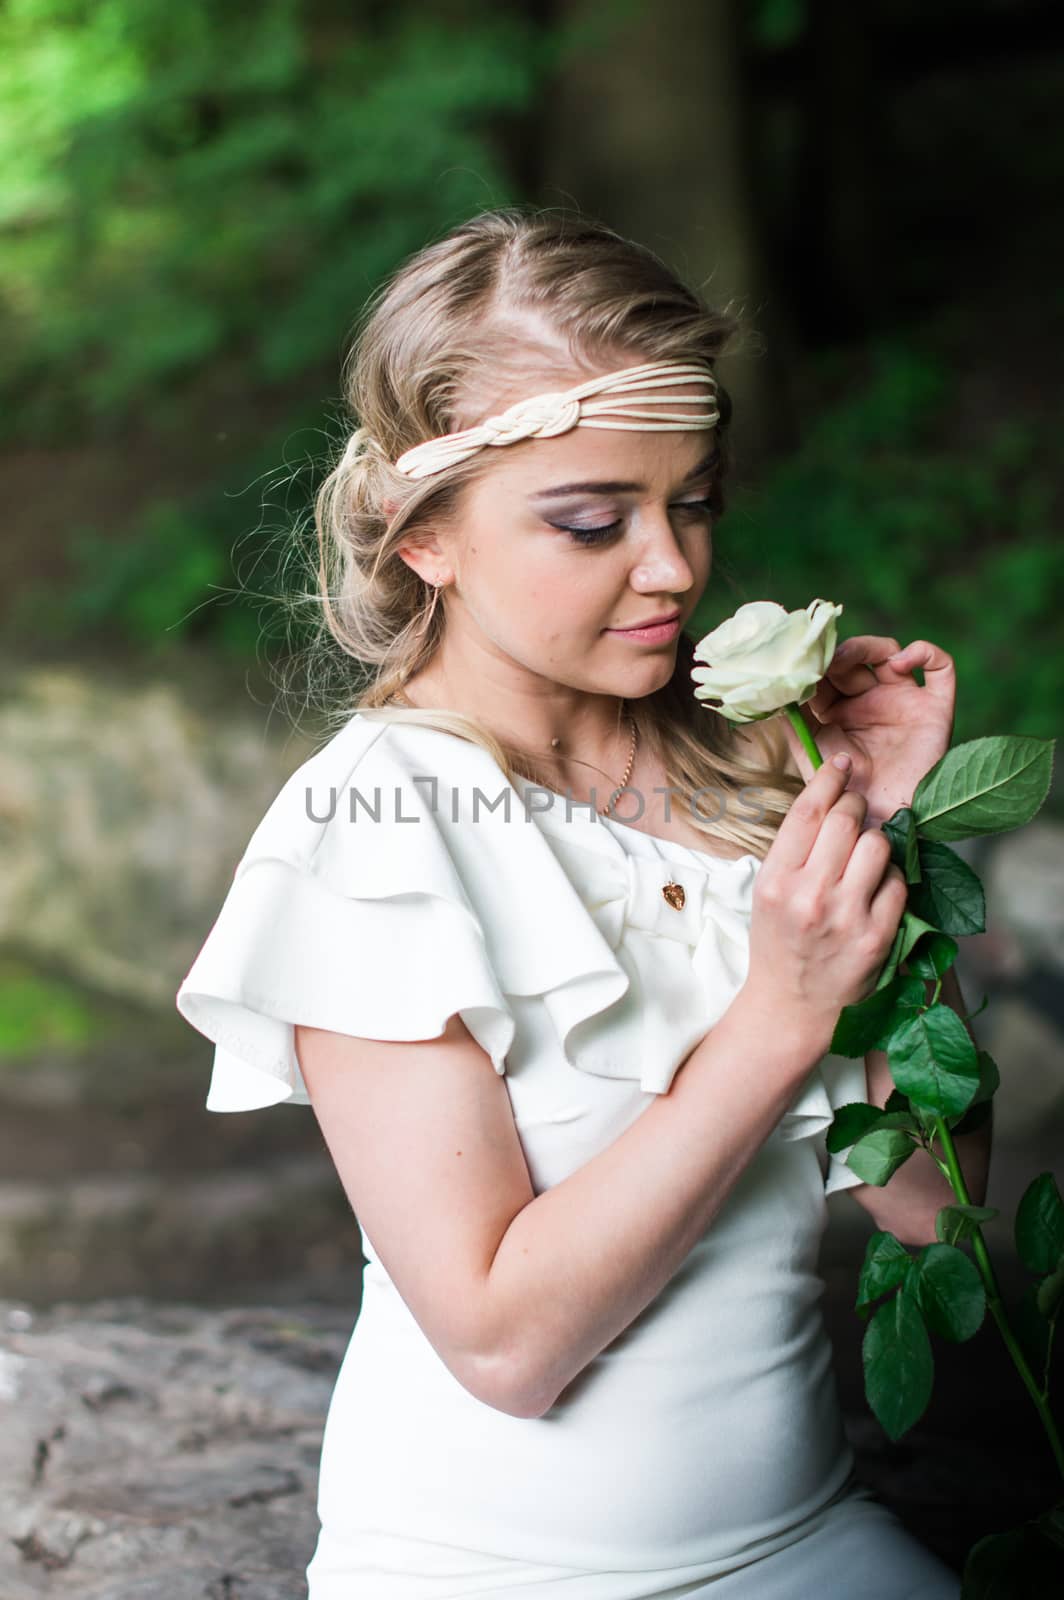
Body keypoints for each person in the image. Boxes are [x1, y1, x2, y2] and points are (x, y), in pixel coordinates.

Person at [176, 208, 968, 1597]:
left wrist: (876, 837)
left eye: (694, 501)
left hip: (803, 1538)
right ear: (424, 536)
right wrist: (778, 1018)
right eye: (593, 520)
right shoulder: (374, 832)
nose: (672, 566)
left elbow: (932, 1209)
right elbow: (503, 1345)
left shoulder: (742, 775)